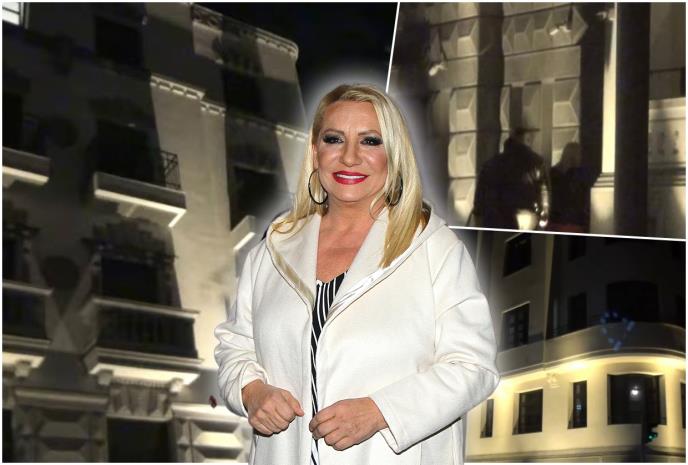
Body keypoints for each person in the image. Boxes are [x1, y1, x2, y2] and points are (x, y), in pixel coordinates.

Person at [215, 84, 499, 465]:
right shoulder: (272, 250)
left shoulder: (434, 247)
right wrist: (251, 391)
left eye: (370, 141)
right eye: (334, 139)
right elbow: (234, 346)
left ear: (393, 155)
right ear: (315, 151)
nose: (349, 157)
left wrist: (381, 411)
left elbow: (473, 367)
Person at [473, 128, 549, 230]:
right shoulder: (536, 163)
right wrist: (542, 218)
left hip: (494, 222)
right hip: (527, 220)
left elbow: (479, 202)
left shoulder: (490, 165)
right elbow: (544, 193)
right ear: (527, 139)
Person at [548, 142, 596, 233]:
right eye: (578, 154)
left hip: (560, 221)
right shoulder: (579, 175)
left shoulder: (554, 173)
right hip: (569, 222)